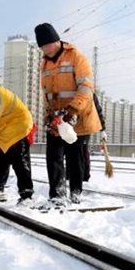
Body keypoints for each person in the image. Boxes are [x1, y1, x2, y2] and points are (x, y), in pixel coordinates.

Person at [35, 23, 101, 204]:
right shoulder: (44, 63)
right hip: (56, 117)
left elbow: (86, 87)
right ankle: (57, 195)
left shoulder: (76, 57)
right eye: (42, 47)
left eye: (47, 45)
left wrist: (72, 111)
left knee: (75, 157)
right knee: (53, 156)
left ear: (56, 40)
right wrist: (49, 114)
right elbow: (46, 92)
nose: (45, 50)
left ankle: (76, 193)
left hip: (77, 114)